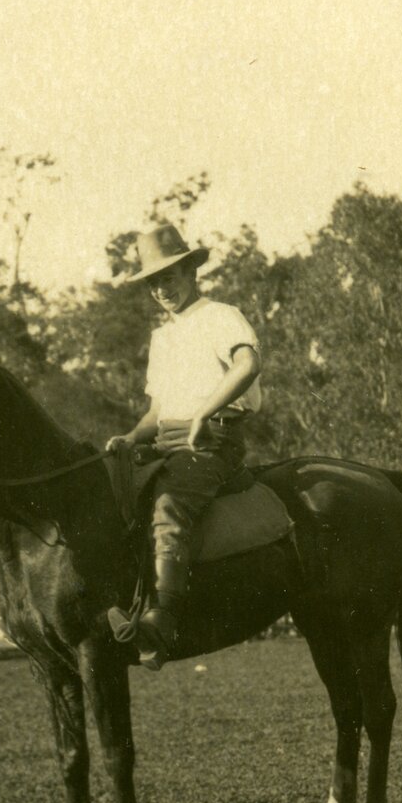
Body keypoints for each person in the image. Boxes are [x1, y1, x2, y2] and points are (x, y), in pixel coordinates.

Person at [106, 223, 262, 669]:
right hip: (168, 441)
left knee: (168, 504)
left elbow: (248, 364)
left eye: (168, 278)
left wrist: (202, 413)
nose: (161, 289)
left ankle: (163, 622)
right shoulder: (162, 337)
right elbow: (157, 410)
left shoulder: (220, 316)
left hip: (213, 440)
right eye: (154, 282)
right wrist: (131, 437)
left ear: (191, 272)